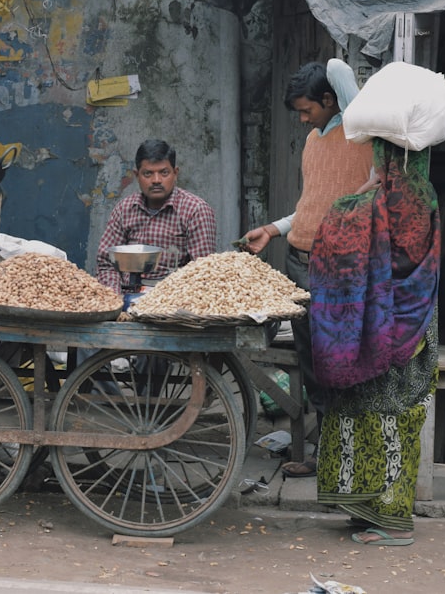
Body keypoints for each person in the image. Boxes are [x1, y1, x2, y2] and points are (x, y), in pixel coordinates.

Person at [242, 60, 376, 478]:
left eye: (308, 110)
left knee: (340, 365)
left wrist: (337, 79)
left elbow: (339, 70)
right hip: (299, 264)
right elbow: (309, 205)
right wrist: (274, 229)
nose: (302, 119)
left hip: (338, 269)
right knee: (314, 366)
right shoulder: (313, 141)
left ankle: (346, 458)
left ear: (329, 99)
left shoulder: (362, 136)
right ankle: (329, 454)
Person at [308, 136, 441, 547]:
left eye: (378, 157)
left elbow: (340, 228)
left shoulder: (393, 198)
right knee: (375, 417)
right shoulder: (425, 193)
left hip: (387, 332)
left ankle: (394, 522)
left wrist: (355, 199)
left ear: (389, 158)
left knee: (388, 421)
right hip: (412, 327)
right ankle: (366, 510)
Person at [96, 139, 217, 300]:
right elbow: (106, 264)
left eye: (164, 173)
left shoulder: (196, 210)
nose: (156, 180)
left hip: (176, 302)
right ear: (137, 175)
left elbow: (204, 272)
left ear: (175, 173)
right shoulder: (124, 209)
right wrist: (114, 299)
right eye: (148, 173)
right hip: (127, 296)